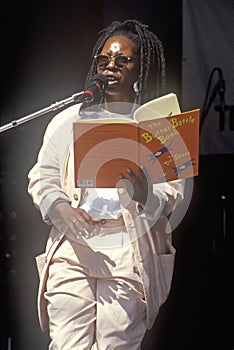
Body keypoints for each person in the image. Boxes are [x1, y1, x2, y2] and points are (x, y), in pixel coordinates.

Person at [28, 19, 185, 350]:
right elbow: (42, 175)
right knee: (67, 344)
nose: (111, 67)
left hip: (128, 250)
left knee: (117, 345)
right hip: (74, 247)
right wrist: (59, 207)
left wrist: (147, 195)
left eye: (123, 61)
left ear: (141, 69)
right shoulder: (68, 119)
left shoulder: (162, 127)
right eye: (104, 61)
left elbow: (174, 196)